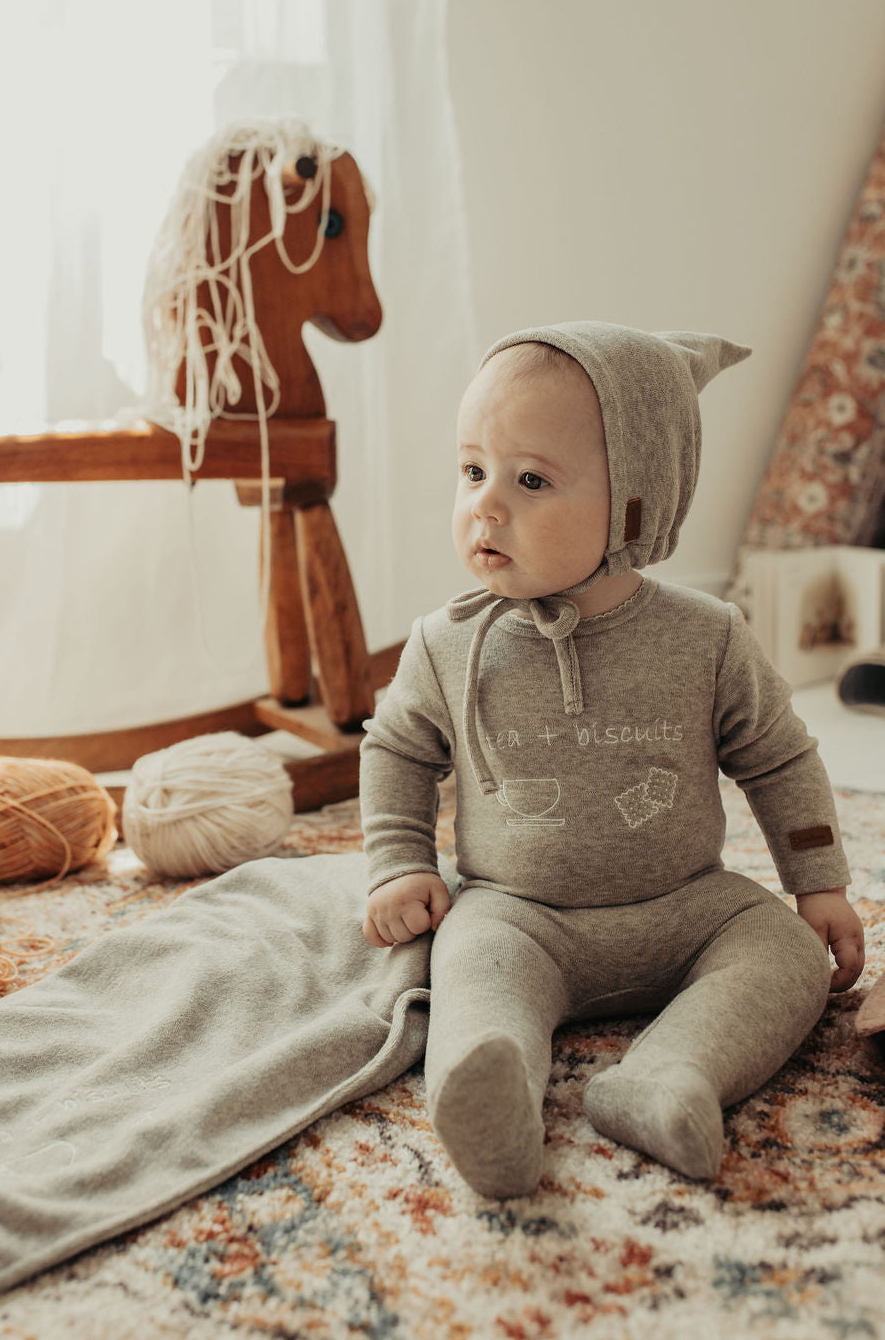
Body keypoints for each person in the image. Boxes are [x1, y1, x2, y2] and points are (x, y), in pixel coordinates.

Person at [359, 323, 864, 1198]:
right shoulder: (447, 644)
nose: (485, 504)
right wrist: (398, 864)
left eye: (530, 480)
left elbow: (779, 756)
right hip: (521, 914)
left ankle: (671, 1076)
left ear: (636, 502)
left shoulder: (707, 637)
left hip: (687, 907)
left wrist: (817, 881)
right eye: (472, 470)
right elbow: (397, 751)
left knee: (785, 955)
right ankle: (493, 1089)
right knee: (469, 968)